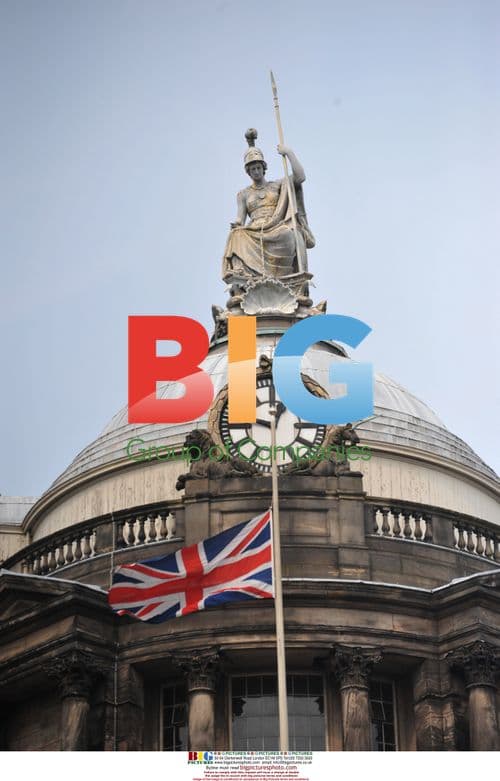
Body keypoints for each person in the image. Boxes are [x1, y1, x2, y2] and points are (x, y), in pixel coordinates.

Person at [223, 132, 314, 282]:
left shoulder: (277, 185)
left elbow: (300, 177)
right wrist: (237, 224)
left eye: (258, 167)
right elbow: (240, 218)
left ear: (263, 167)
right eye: (253, 169)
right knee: (236, 235)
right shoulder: (243, 194)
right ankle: (241, 273)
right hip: (254, 229)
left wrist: (288, 152)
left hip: (276, 226)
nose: (256, 171)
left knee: (288, 233)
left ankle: (285, 274)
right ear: (248, 172)